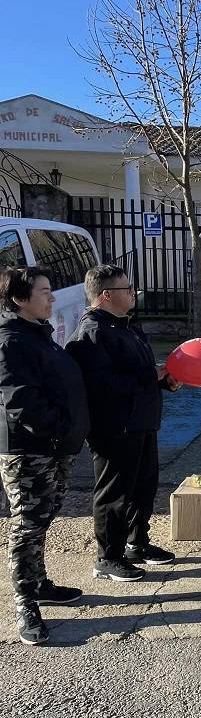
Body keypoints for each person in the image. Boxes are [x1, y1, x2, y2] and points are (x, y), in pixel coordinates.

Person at [66, 265, 180, 584]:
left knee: (143, 487)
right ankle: (108, 558)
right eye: (127, 289)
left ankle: (136, 544)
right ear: (106, 296)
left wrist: (163, 380)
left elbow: (139, 371)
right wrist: (149, 376)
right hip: (115, 426)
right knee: (114, 492)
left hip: (141, 421)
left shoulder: (125, 325)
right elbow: (101, 384)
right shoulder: (93, 332)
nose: (133, 293)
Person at [0, 267, 90, 645]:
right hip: (29, 450)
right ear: (20, 299)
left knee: (45, 516)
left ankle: (39, 583)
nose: (53, 298)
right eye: (44, 292)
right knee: (29, 524)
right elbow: (19, 400)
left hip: (56, 448)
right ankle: (26, 603)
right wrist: (58, 429)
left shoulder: (38, 335)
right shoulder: (10, 341)